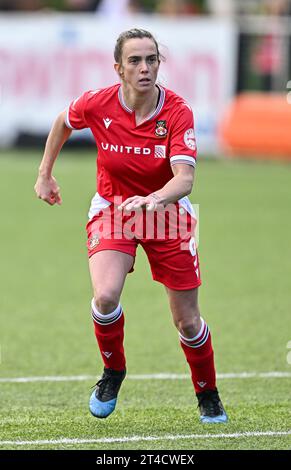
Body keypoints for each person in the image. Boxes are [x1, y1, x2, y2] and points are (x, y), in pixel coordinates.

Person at [34, 28, 228, 424]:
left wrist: (155, 199)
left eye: (152, 60)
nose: (145, 68)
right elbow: (62, 121)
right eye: (136, 61)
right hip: (114, 209)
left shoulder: (176, 111)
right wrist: (44, 174)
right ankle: (113, 372)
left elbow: (184, 179)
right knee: (105, 297)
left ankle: (208, 394)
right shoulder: (98, 103)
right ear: (119, 68)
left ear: (160, 63)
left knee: (187, 321)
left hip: (167, 214)